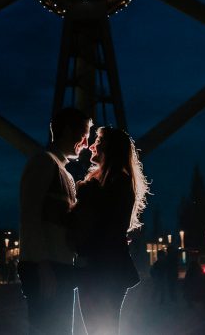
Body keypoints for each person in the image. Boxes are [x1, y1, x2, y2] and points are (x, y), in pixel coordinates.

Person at [18, 106, 93, 335]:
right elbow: (30, 216)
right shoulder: (44, 163)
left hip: (56, 268)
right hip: (48, 268)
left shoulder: (61, 171)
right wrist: (43, 266)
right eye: (84, 134)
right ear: (68, 130)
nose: (86, 142)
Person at [71, 126, 149, 335]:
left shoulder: (115, 183)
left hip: (102, 270)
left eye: (99, 140)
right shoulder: (111, 182)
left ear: (110, 147)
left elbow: (102, 225)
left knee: (100, 329)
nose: (93, 145)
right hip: (104, 269)